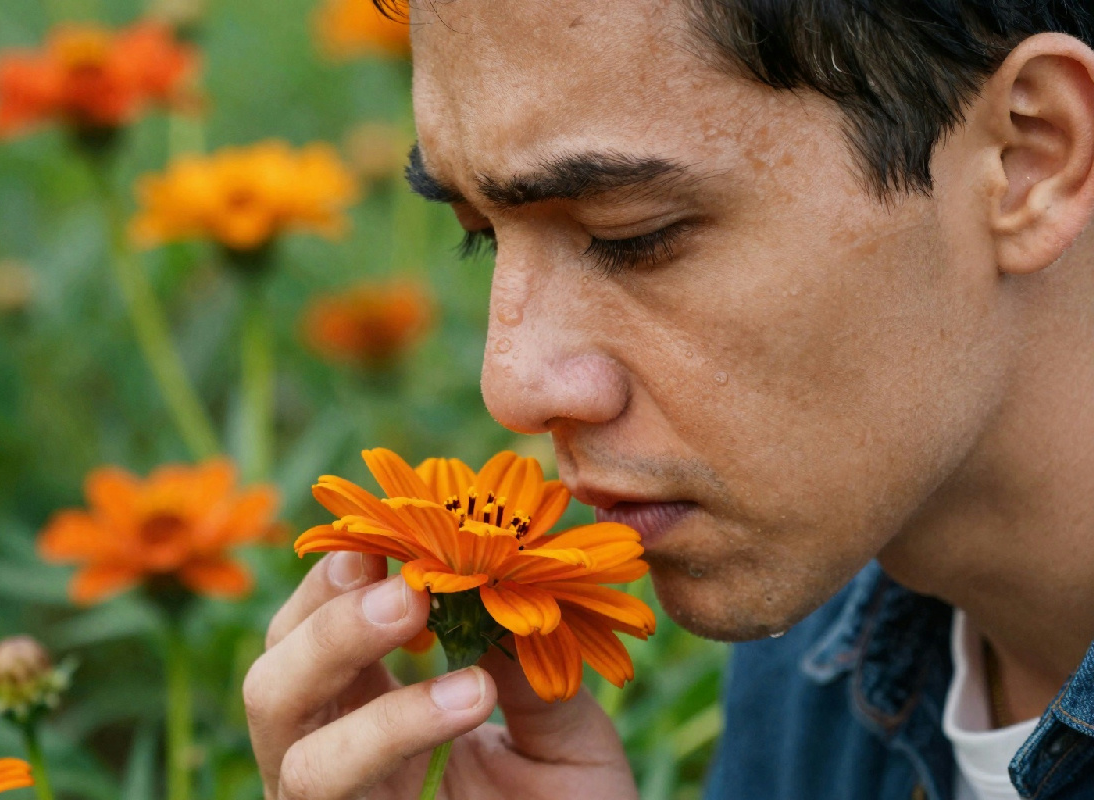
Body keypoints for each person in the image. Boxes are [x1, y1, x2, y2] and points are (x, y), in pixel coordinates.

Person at [243, 1, 1094, 797]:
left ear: (1030, 158)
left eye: (633, 233)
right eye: (482, 238)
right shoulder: (804, 659)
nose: (511, 385)